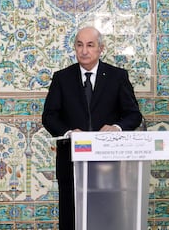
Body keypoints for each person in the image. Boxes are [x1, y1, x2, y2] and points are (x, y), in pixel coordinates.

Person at [42, 26, 142, 230]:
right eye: (79, 45)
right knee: (71, 218)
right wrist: (69, 133)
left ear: (100, 48)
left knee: (107, 217)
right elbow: (49, 116)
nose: (84, 51)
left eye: (90, 45)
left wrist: (116, 127)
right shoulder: (62, 77)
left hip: (109, 165)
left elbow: (134, 115)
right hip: (71, 163)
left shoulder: (117, 76)